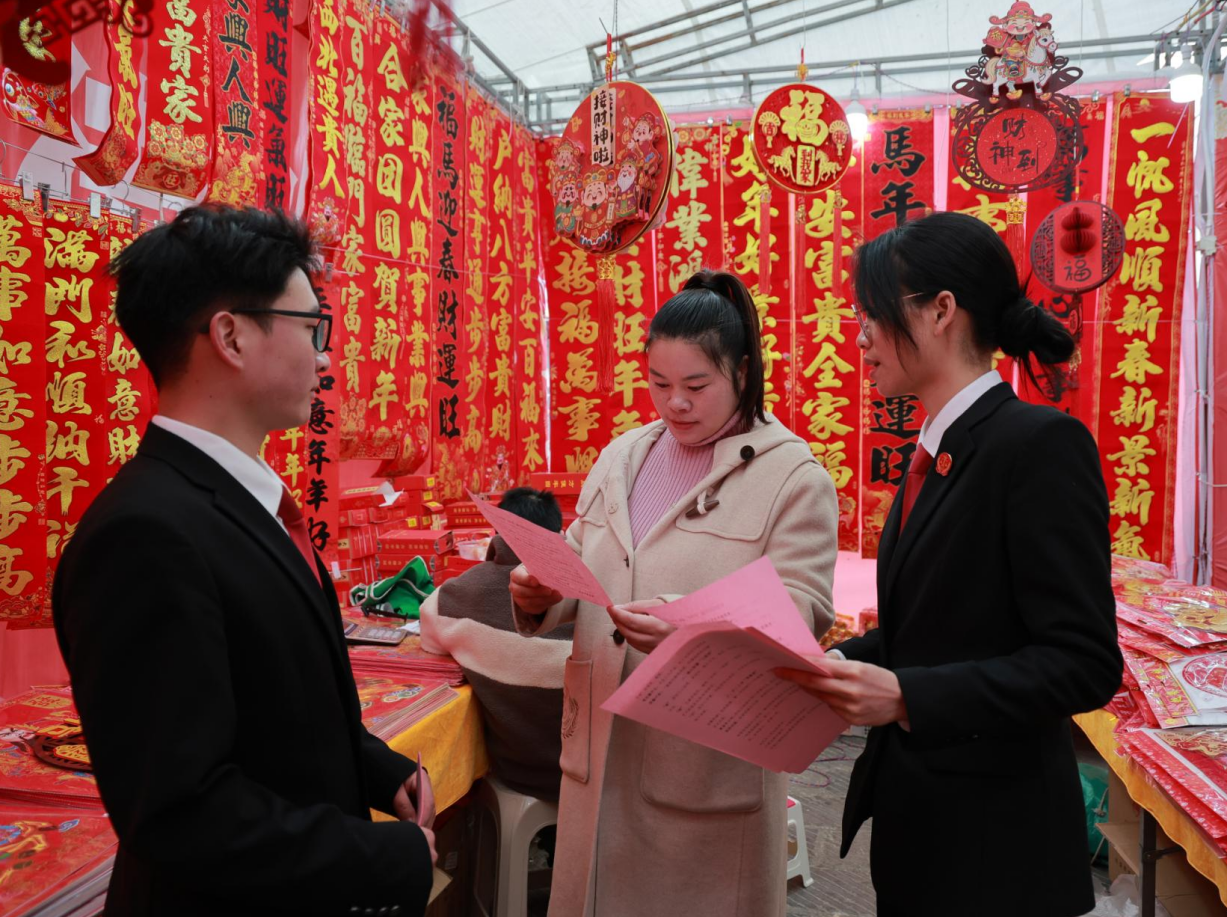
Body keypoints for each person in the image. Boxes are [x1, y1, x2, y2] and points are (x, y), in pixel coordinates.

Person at [52, 205, 437, 917]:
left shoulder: (237, 499)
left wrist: (378, 771)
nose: (325, 357)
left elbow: (279, 706)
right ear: (230, 336)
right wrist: (387, 856)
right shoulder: (143, 534)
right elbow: (181, 812)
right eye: (311, 328)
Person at [777, 211, 1123, 917]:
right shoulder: (937, 449)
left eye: (873, 313)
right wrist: (831, 662)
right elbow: (935, 629)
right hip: (922, 827)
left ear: (940, 311)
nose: (861, 336)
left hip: (999, 850)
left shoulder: (1036, 445)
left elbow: (1083, 662)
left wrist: (908, 696)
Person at [510, 270, 838, 917]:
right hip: (599, 748)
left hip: (702, 765)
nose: (675, 403)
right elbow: (579, 557)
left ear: (741, 372)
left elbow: (803, 610)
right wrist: (538, 592)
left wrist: (691, 627)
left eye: (696, 385)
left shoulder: (791, 475)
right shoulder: (622, 456)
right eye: (659, 384)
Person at [419, 487, 574, 802]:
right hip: (587, 777)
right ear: (560, 534)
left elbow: (429, 639)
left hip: (512, 771)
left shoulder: (454, 596)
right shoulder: (587, 595)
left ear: (497, 531)